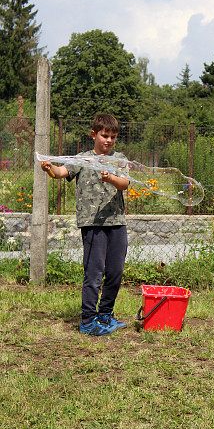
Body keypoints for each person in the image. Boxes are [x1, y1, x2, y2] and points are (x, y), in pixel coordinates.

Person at [41, 113, 130, 335]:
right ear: (94, 134)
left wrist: (110, 178)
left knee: (116, 271)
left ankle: (106, 315)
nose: (108, 140)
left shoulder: (119, 159)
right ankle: (88, 320)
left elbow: (125, 184)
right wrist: (50, 169)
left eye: (112, 137)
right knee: (94, 273)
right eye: (104, 135)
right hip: (92, 224)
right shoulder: (82, 159)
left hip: (117, 222)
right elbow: (61, 172)